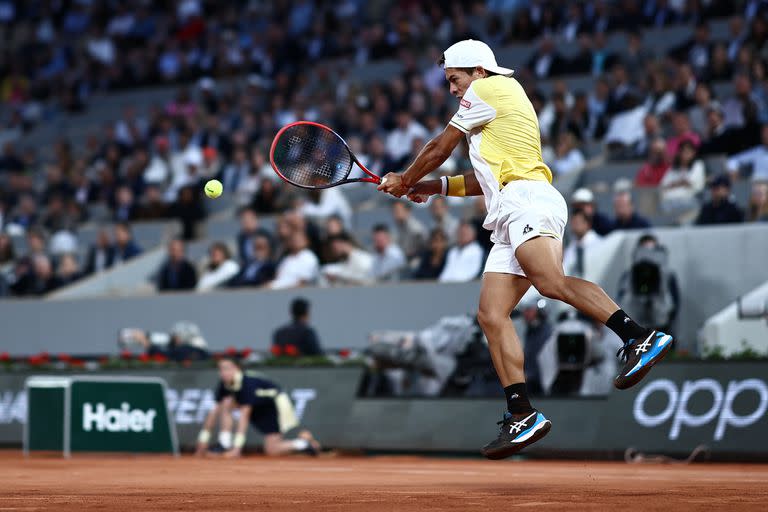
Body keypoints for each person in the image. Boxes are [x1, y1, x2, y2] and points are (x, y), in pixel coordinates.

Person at [378, 39, 673, 459]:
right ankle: (522, 413)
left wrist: (405, 179)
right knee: (491, 314)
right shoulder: (492, 108)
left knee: (549, 281)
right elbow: (483, 179)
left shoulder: (488, 89)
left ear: (478, 71)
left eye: (454, 79)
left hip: (528, 201)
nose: (451, 89)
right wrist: (432, 186)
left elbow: (439, 148)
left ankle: (639, 337)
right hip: (510, 210)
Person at [195, 358, 320, 458]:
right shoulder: (224, 383)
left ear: (237, 369)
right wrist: (202, 442)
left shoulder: (247, 384)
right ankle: (224, 443)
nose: (223, 372)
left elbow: (244, 417)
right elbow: (213, 412)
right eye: (221, 369)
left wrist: (237, 449)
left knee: (272, 450)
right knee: (225, 403)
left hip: (274, 406)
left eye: (227, 369)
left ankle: (304, 443)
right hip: (257, 406)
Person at [659, 141, 706, 222]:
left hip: (689, 201)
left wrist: (674, 184)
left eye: (688, 152)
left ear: (693, 153)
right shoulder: (673, 168)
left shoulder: (698, 165)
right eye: (683, 151)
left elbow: (692, 183)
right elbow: (663, 185)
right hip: (670, 202)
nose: (685, 154)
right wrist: (680, 183)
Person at [562, 209, 603, 278]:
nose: (575, 226)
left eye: (577, 223)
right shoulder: (571, 248)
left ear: (587, 224)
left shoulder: (599, 244)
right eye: (573, 223)